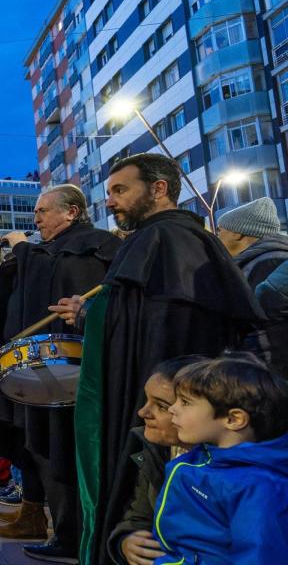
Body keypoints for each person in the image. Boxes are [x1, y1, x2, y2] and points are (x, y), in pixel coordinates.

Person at [48, 154, 264, 564]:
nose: (110, 202)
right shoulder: (168, 239)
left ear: (159, 189)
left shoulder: (166, 239)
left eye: (120, 190)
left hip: (154, 403)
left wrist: (92, 314)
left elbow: (152, 327)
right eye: (108, 192)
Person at [0, 184, 121, 560]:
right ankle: (47, 519)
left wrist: (21, 248)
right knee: (38, 446)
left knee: (64, 451)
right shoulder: (43, 250)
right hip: (38, 372)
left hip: (74, 374)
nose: (36, 218)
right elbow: (18, 294)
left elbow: (51, 280)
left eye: (43, 211)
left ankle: (72, 532)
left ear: (72, 212)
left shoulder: (93, 245)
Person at [150, 355, 288, 564]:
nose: (172, 409)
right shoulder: (202, 458)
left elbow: (260, 556)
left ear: (233, 419)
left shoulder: (259, 486)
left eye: (185, 402)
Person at [103, 357, 197, 565]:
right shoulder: (157, 451)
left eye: (162, 406)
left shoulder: (229, 473)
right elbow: (139, 516)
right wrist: (126, 541)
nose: (143, 412)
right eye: (147, 400)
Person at [216, 197, 288, 376]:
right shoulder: (258, 261)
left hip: (268, 371)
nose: (216, 236)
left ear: (237, 233)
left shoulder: (270, 262)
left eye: (220, 230)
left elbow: (261, 325)